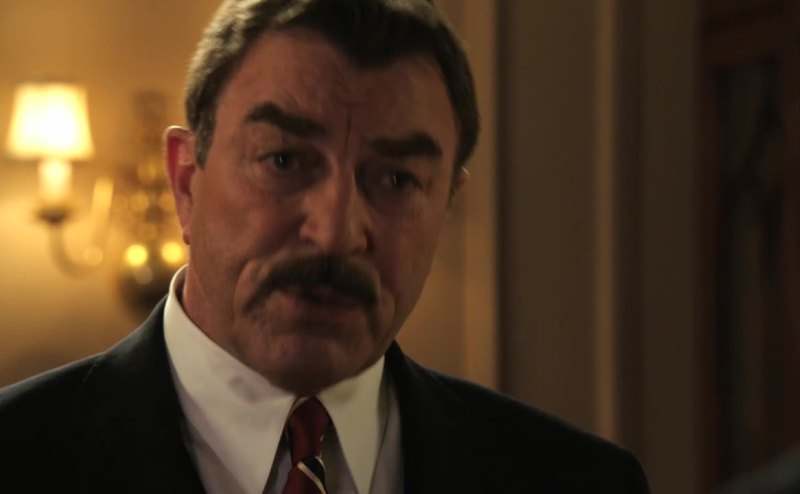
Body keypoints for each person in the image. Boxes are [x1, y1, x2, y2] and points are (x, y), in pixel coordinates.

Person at [0, 0, 650, 492]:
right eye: (284, 161)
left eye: (397, 180)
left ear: (447, 204)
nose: (336, 232)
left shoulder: (579, 480)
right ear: (186, 181)